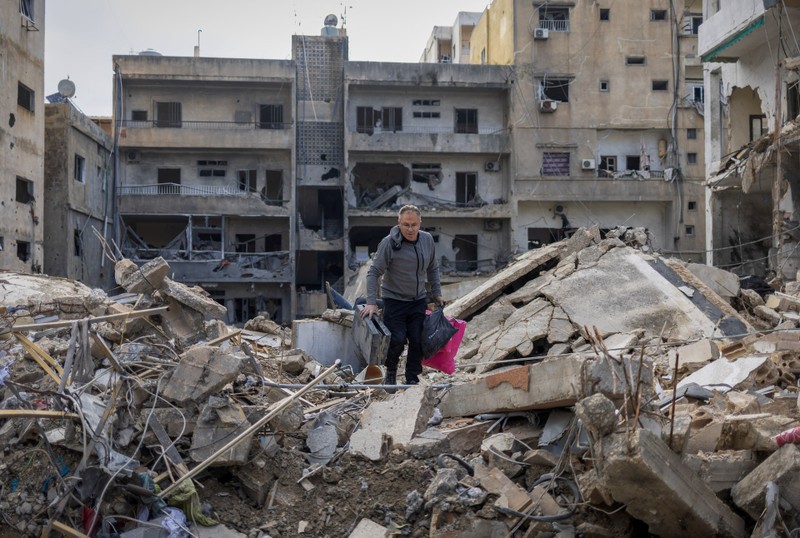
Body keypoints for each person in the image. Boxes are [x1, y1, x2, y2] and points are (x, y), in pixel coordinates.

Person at [360, 205, 443, 386]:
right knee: (397, 339)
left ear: (420, 223)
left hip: (418, 300)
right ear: (399, 223)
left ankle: (412, 378)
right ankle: (391, 372)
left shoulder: (427, 240)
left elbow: (432, 268)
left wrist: (437, 293)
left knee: (417, 339)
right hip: (394, 301)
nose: (410, 229)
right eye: (406, 225)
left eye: (414, 224)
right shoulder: (388, 243)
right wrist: (372, 302)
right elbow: (374, 273)